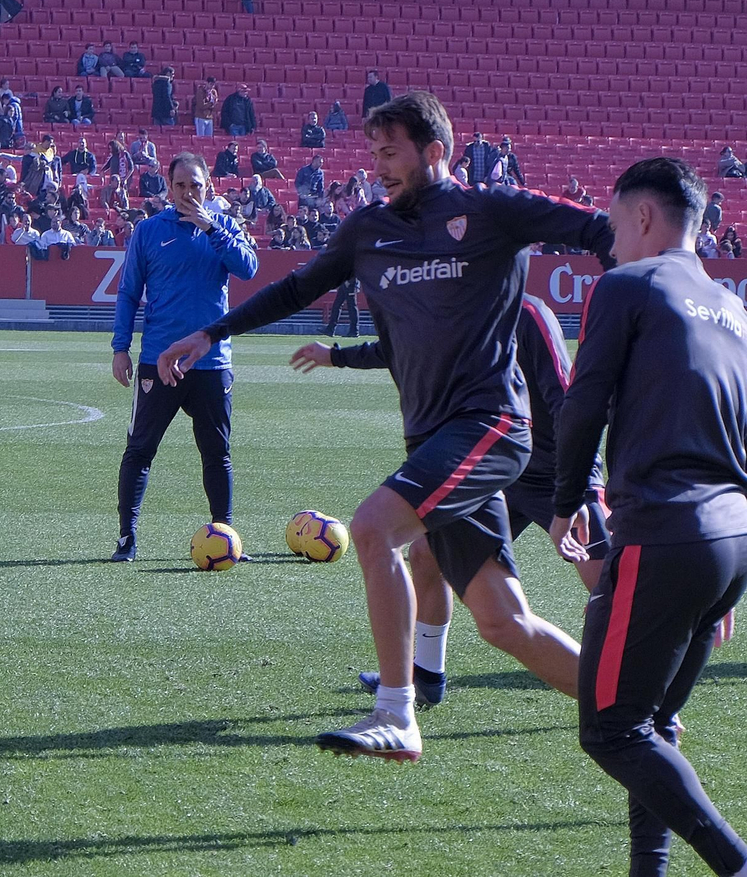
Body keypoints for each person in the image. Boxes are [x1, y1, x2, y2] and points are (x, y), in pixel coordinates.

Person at [156, 92, 615, 761]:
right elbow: (298, 288)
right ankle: (630, 707)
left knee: (372, 528)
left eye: (391, 152)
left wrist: (642, 307)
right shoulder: (368, 229)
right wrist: (212, 332)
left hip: (490, 425)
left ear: (435, 152)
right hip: (432, 438)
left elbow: (603, 231)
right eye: (373, 153)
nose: (378, 166)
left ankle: (397, 714)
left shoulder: (491, 209)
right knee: (503, 622)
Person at [551, 158, 747, 877]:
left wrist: (565, 502)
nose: (609, 242)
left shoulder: (626, 285)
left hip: (666, 532)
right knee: (653, 722)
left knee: (612, 729)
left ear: (642, 216)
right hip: (731, 537)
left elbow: (583, 404)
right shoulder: (734, 309)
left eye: (612, 223)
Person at [298, 290, 615, 706]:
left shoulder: (528, 313)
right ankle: (427, 674)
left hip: (557, 473)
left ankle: (637, 698)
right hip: (490, 468)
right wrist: (336, 356)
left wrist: (582, 486)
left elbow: (567, 401)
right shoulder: (454, 306)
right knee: (426, 555)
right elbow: (405, 348)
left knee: (611, 584)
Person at [109, 152, 260, 562]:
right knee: (140, 450)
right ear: (168, 187)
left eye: (195, 185)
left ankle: (226, 535)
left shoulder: (224, 226)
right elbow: (128, 293)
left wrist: (212, 228)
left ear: (208, 186)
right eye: (180, 185)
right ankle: (126, 538)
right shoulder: (149, 231)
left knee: (217, 453)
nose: (188, 192)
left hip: (211, 363)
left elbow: (248, 268)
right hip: (158, 361)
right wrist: (120, 348)